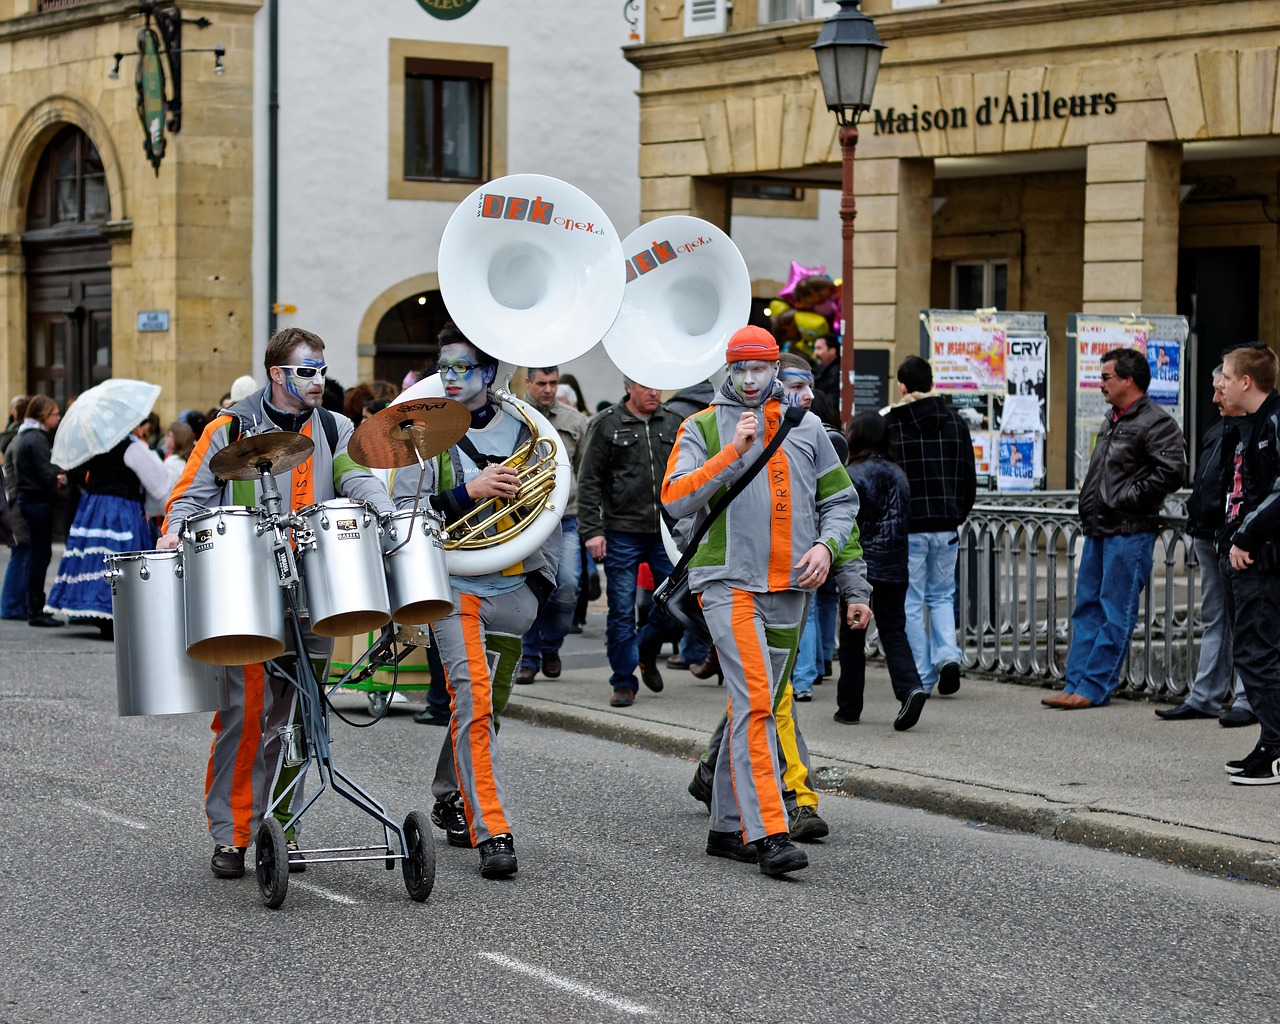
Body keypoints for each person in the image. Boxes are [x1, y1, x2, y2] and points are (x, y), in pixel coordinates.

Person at [160, 326, 395, 879]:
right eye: (306, 371)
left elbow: (356, 478)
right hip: (243, 590)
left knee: (298, 716)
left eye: (321, 369)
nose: (319, 380)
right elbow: (188, 495)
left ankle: (281, 826)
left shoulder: (335, 426)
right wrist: (174, 530)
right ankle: (233, 833)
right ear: (277, 375)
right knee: (245, 715)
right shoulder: (230, 428)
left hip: (315, 590)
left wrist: (381, 508)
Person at [662, 325, 872, 876]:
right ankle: (768, 831)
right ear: (728, 370)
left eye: (761, 367)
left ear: (776, 368)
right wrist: (733, 453)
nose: (751, 378)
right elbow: (675, 500)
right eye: (741, 368)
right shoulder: (701, 427)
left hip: (792, 587)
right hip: (726, 583)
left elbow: (841, 501)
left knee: (750, 704)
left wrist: (828, 550)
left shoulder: (805, 428)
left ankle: (726, 828)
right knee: (757, 698)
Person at [391, 323, 559, 879]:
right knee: (473, 700)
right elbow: (404, 512)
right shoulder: (425, 429)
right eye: (445, 366)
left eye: (463, 367)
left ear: (489, 373)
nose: (451, 377)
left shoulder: (526, 426)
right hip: (456, 585)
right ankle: (493, 829)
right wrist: (469, 491)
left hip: (516, 588)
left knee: (487, 707)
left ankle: (448, 791)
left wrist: (541, 583)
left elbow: (551, 501)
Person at [1043, 347, 1185, 711]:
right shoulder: (1113, 419)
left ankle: (1093, 687)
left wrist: (1126, 498)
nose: (1100, 383)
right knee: (1086, 607)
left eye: (1106, 377)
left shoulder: (1156, 421)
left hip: (1129, 529)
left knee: (1113, 610)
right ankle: (1075, 682)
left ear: (1128, 380)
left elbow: (1172, 472)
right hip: (1098, 527)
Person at [1155, 363, 1255, 725]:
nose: (1215, 396)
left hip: (1241, 539)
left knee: (1249, 620)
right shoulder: (1219, 428)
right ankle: (1205, 696)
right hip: (1208, 533)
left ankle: (1248, 698)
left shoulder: (1260, 428)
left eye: (1220, 387)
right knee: (1217, 618)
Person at [577, 377, 681, 707]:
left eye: (657, 386)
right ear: (628, 387)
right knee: (621, 610)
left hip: (666, 531)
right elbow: (589, 480)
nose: (654, 392)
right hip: (621, 530)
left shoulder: (675, 421)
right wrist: (592, 530)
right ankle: (624, 681)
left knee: (675, 602)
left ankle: (646, 651)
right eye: (646, 386)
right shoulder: (607, 424)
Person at [884, 355, 977, 696]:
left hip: (908, 526)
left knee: (910, 601)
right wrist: (957, 514)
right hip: (946, 523)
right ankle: (947, 655)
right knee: (941, 596)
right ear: (932, 383)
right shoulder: (956, 422)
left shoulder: (891, 424)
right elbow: (969, 476)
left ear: (902, 386)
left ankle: (922, 674)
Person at [837, 411, 928, 730]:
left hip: (860, 568)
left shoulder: (852, 474)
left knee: (851, 638)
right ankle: (910, 688)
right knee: (894, 631)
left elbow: (848, 523)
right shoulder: (899, 474)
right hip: (895, 565)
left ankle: (849, 707)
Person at [1217, 344, 1280, 783]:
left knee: (1256, 654)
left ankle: (1275, 747)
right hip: (1252, 556)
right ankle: (1272, 742)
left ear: (1246, 381)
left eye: (1224, 373)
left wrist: (1246, 535)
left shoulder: (1273, 420)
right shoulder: (1251, 424)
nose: (1218, 382)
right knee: (1256, 652)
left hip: (1262, 558)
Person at [46, 418, 169, 636]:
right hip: (121, 508)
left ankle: (93, 609)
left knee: (94, 558)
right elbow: (158, 486)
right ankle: (113, 614)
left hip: (93, 507)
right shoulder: (132, 449)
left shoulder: (98, 447)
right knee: (119, 559)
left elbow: (80, 472)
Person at [517, 365, 588, 684]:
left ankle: (551, 646)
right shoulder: (514, 416)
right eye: (542, 383)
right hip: (524, 519)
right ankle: (529, 657)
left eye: (553, 383)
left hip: (566, 517)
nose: (548, 389)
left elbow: (585, 471)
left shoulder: (575, 421)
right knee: (531, 589)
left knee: (568, 587)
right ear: (528, 383)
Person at [11, 395, 65, 628]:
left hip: (29, 500)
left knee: (37, 555)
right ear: (43, 415)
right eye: (55, 414)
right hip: (37, 502)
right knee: (40, 556)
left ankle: (33, 606)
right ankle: (35, 608)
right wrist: (59, 476)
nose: (58, 417)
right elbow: (45, 474)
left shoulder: (25, 435)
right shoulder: (37, 438)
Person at [1, 396, 30, 620]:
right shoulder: (18, 439)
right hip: (18, 506)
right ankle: (11, 605)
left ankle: (14, 603)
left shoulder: (13, 436)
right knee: (20, 555)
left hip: (15, 503)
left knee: (21, 555)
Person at [813, 334, 841, 411]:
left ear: (832, 351)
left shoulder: (836, 372)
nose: (815, 353)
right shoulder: (825, 370)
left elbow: (831, 403)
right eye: (815, 349)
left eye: (819, 348)